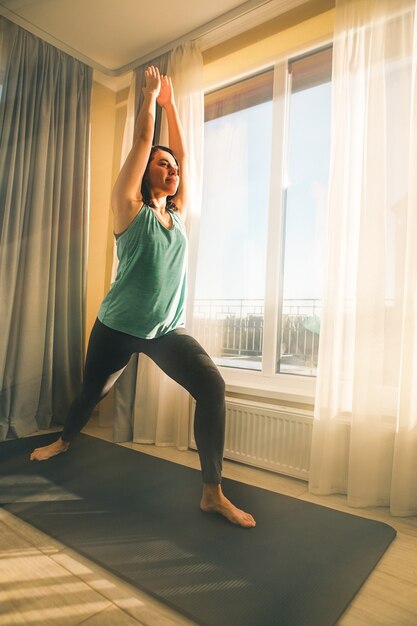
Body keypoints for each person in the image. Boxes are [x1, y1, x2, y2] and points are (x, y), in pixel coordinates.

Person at [30, 66, 256, 529]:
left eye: (173, 168)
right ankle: (65, 440)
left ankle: (212, 494)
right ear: (145, 171)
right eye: (162, 164)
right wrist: (152, 100)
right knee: (92, 393)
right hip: (115, 327)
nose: (171, 170)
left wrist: (174, 105)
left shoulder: (179, 216)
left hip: (164, 332)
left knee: (211, 387)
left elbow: (186, 156)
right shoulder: (129, 209)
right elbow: (140, 142)